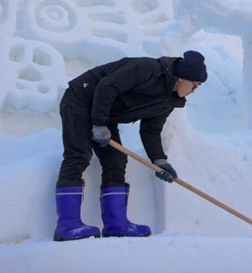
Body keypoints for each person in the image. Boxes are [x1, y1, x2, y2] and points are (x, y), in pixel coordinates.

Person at [53, 50, 208, 241]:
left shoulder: (169, 100)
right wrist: (99, 123)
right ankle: (68, 225)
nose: (193, 91)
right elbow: (107, 86)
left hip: (105, 113)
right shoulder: (147, 69)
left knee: (116, 159)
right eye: (195, 85)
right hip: (81, 98)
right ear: (182, 78)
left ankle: (116, 224)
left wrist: (160, 161)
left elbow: (151, 130)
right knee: (78, 154)